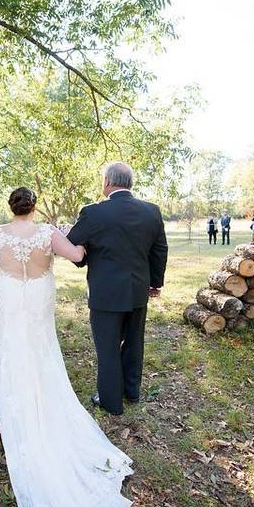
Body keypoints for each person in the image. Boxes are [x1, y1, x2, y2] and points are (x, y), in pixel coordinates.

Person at [0, 185, 134, 507]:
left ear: (10, 207)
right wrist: (65, 240)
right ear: (33, 207)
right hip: (39, 294)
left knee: (16, 348)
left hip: (12, 295)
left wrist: (7, 273)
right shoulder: (48, 233)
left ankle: (18, 399)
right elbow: (78, 255)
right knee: (42, 348)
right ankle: (45, 399)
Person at [67, 162, 168, 416]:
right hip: (137, 290)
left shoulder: (93, 212)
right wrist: (155, 282)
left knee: (108, 347)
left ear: (107, 182)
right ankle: (131, 393)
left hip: (105, 293)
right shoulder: (151, 211)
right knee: (134, 342)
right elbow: (160, 249)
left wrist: (84, 259)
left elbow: (72, 245)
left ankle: (111, 402)